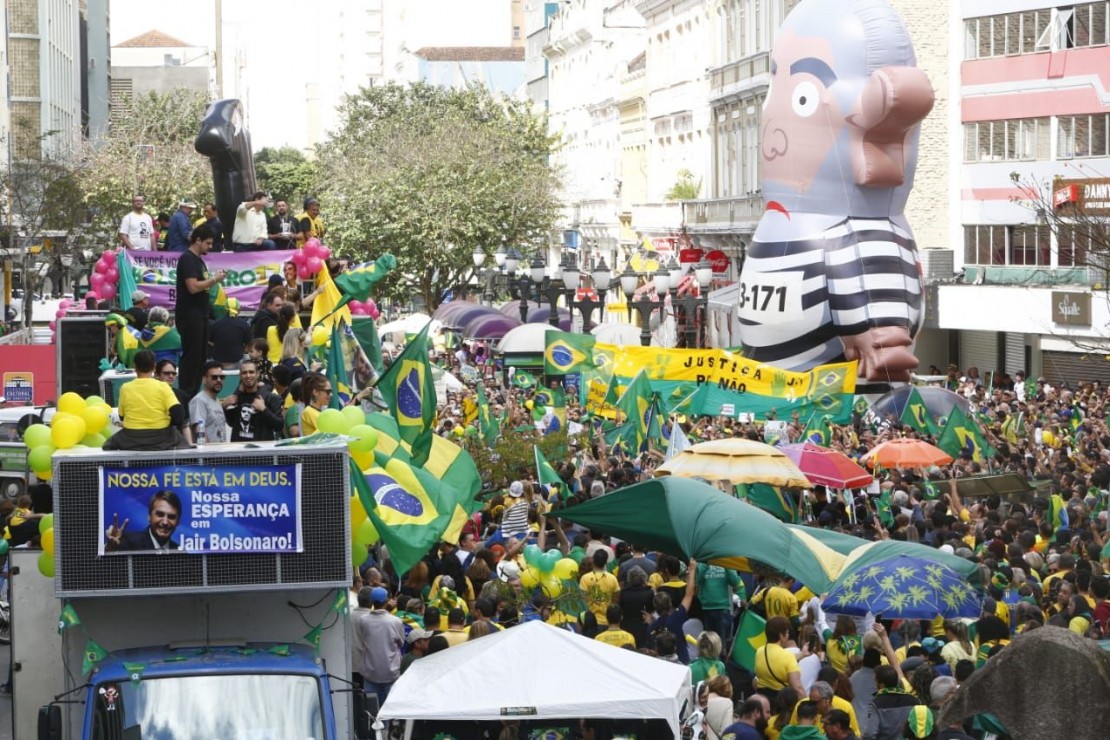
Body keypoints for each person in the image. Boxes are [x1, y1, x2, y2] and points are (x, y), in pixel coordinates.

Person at [104, 350, 191, 451]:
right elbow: (178, 414)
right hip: (162, 436)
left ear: (135, 366)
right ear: (154, 367)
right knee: (183, 444)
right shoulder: (163, 387)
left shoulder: (125, 388)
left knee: (107, 445)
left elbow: (121, 416)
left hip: (131, 437)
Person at [175, 225, 226, 397]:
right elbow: (193, 287)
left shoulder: (198, 260)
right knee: (192, 358)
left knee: (200, 358)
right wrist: (214, 280)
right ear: (197, 240)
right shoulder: (187, 259)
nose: (210, 247)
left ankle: (194, 394)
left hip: (201, 315)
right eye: (208, 243)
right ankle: (186, 395)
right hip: (190, 316)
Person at [353, 586, 405, 706]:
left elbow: (363, 638)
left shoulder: (363, 620)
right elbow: (401, 642)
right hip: (391, 672)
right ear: (386, 601)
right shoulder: (395, 621)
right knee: (389, 709)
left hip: (370, 672)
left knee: (371, 710)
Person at [646, 557, 697, 664]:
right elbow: (689, 594)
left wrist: (651, 622)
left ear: (656, 607)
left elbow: (652, 650)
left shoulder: (652, 628)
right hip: (682, 661)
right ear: (670, 603)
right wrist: (692, 570)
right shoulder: (677, 617)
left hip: (661, 665)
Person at [224, 359, 284, 442]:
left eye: (251, 372)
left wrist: (264, 409)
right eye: (244, 373)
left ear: (257, 374)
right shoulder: (237, 397)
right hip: (239, 450)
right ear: (240, 376)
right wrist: (224, 408)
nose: (248, 375)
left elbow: (279, 426)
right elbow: (231, 423)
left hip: (261, 451)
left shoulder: (270, 398)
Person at [104, 490, 182, 552]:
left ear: (178, 521)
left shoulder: (179, 550)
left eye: (171, 517)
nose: (165, 522)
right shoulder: (128, 542)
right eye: (160, 514)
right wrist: (110, 549)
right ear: (149, 516)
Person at [755, 616, 804, 702]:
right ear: (781, 635)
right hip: (780, 705)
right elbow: (798, 689)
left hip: (763, 703)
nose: (788, 636)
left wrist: (803, 654)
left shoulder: (759, 652)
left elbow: (777, 661)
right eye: (787, 633)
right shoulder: (787, 657)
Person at [188, 361, 229, 443]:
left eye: (221, 377)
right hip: (209, 453)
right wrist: (208, 453)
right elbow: (200, 431)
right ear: (204, 380)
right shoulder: (199, 401)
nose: (219, 380)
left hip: (220, 453)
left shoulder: (217, 401)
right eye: (214, 377)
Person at [579, 548, 620, 626]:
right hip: (607, 622)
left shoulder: (585, 578)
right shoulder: (613, 578)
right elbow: (616, 601)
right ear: (605, 562)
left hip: (589, 622)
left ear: (593, 560)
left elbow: (582, 601)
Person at [209, 297, 252, 368]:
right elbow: (248, 344)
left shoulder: (216, 324)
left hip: (217, 359)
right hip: (237, 359)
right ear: (238, 310)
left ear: (224, 309)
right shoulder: (244, 324)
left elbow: (210, 342)